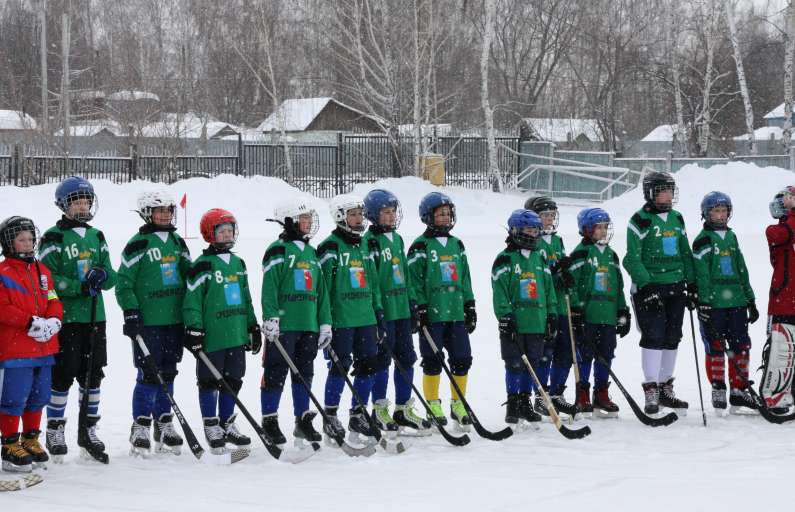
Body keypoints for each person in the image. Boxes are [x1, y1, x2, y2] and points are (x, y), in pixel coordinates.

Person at [40, 176, 117, 462]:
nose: (83, 207)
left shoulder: (97, 235)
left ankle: (88, 429)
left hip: (96, 318)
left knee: (93, 375)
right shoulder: (53, 236)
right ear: (64, 205)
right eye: (77, 202)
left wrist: (104, 276)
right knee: (63, 375)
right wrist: (77, 286)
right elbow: (46, 278)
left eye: (86, 201)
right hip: (66, 319)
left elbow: (112, 275)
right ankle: (55, 428)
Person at [115, 189, 192, 455]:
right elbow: (123, 283)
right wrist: (132, 313)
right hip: (149, 322)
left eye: (168, 211)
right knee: (149, 373)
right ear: (147, 213)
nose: (164, 216)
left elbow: (190, 279)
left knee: (168, 371)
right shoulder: (138, 243)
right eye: (159, 211)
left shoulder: (178, 242)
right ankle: (141, 425)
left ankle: (164, 423)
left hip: (174, 320)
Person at [182, 209, 261, 454]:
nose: (228, 235)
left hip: (236, 333)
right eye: (222, 231)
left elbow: (246, 298)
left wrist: (252, 325)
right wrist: (194, 329)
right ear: (209, 234)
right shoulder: (202, 265)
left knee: (233, 379)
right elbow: (192, 301)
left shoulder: (238, 263)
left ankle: (227, 423)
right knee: (209, 381)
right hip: (213, 336)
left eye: (230, 230)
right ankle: (211, 425)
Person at [259, 197, 331, 448]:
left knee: (304, 373)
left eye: (310, 217)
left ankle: (302, 421)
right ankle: (269, 420)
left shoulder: (312, 252)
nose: (310, 223)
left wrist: (325, 323)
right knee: (275, 371)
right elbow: (270, 287)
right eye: (304, 218)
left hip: (308, 325)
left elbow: (321, 291)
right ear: (289, 221)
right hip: (284, 327)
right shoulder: (277, 250)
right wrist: (271, 317)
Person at [623, 170, 695, 416]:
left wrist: (692, 284)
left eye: (670, 191)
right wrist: (647, 287)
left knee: (673, 336)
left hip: (675, 285)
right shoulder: (640, 220)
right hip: (650, 286)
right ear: (650, 193)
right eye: (662, 191)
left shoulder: (677, 218)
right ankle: (651, 389)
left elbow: (685, 252)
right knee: (653, 336)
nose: (667, 196)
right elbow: (631, 258)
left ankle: (665, 388)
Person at [317, 195, 386, 445]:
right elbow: (322, 289)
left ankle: (358, 413)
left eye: (360, 214)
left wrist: (378, 312)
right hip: (341, 320)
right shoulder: (330, 246)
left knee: (368, 365)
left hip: (366, 317)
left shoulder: (365, 245)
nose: (358, 219)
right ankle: (330, 416)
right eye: (353, 214)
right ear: (339, 216)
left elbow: (373, 282)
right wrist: (325, 319)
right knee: (340, 366)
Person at [362, 189, 431, 436]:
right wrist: (378, 310)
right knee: (382, 360)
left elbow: (405, 275)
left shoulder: (398, 239)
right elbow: (371, 280)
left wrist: (412, 304)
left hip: (401, 309)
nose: (391, 217)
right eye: (385, 213)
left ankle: (403, 409)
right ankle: (379, 409)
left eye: (393, 212)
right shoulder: (369, 242)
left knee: (407, 358)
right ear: (372, 214)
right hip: (384, 312)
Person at [407, 192, 476, 432]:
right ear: (428, 217)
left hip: (455, 312)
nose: (445, 218)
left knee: (462, 360)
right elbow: (413, 280)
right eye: (440, 214)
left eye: (448, 213)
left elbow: (465, 277)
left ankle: (458, 405)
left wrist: (470, 304)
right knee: (433, 361)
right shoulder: (420, 245)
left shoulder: (457, 244)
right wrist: (420, 307)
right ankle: (432, 405)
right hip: (433, 316)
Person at [0, 217, 63, 472]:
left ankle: (30, 439)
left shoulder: (42, 270)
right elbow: (3, 307)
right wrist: (29, 323)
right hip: (15, 348)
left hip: (44, 347)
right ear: (8, 242)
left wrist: (55, 320)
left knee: (39, 397)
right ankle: (9, 444)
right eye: (21, 239)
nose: (27, 244)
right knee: (14, 398)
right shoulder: (3, 273)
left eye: (30, 239)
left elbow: (53, 298)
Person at [692, 192, 758, 416]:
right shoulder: (702, 239)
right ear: (706, 213)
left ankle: (739, 391)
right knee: (716, 345)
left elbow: (742, 268)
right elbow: (701, 275)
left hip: (737, 301)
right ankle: (718, 387)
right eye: (715, 211)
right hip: (715, 303)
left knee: (741, 345)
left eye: (724, 211)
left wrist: (750, 298)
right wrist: (704, 303)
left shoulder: (732, 237)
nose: (720, 215)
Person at [491, 210, 557, 428]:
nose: (534, 233)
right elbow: (499, 291)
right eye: (529, 229)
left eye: (536, 230)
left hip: (536, 321)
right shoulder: (505, 259)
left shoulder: (540, 257)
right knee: (515, 363)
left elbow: (548, 290)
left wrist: (552, 314)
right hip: (515, 323)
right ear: (516, 231)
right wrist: (505, 315)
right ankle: (512, 402)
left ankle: (525, 402)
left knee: (533, 363)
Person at [568, 208, 628, 419]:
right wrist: (576, 310)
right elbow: (572, 286)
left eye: (605, 227)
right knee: (584, 355)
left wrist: (623, 311)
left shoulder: (612, 255)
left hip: (608, 316)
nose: (603, 231)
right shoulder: (580, 253)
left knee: (606, 354)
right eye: (598, 228)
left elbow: (618, 286)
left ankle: (601, 392)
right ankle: (582, 392)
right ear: (586, 230)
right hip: (588, 316)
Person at [524, 196, 577, 419]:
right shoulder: (530, 241)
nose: (549, 219)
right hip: (543, 305)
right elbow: (537, 271)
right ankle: (541, 395)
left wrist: (566, 273)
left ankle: (557, 394)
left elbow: (563, 262)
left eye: (551, 215)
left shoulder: (557, 240)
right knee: (545, 351)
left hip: (561, 304)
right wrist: (554, 268)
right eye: (544, 215)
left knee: (565, 349)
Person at [760, 188, 795, 414]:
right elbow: (787, 235)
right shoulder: (774, 230)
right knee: (782, 350)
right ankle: (773, 394)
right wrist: (793, 212)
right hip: (783, 298)